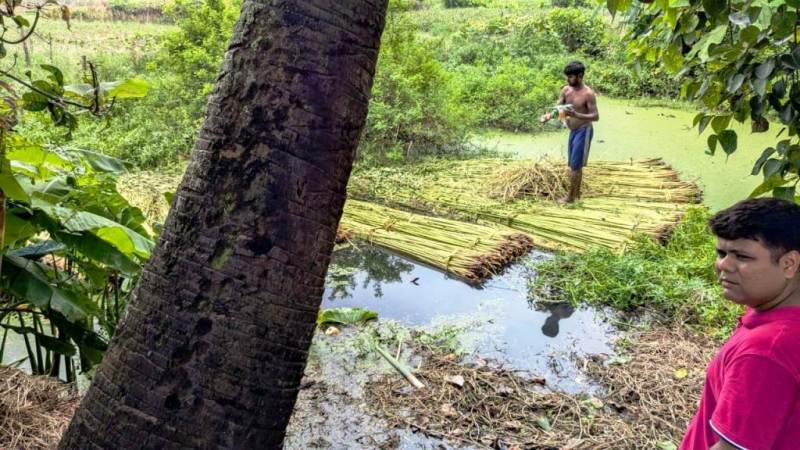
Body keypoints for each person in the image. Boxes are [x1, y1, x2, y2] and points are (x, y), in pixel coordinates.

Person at [680, 197, 800, 450]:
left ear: (789, 264)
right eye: (721, 253)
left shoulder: (766, 351)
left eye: (742, 256)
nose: (724, 265)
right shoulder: (782, 325)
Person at [539, 61, 599, 203]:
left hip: (584, 130)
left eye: (571, 77)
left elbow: (595, 116)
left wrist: (576, 115)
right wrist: (547, 116)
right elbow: (558, 108)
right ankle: (576, 195)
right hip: (572, 131)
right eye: (567, 76)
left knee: (575, 166)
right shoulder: (566, 90)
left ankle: (571, 197)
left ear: (580, 76)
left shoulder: (588, 94)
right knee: (572, 165)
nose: (568, 79)